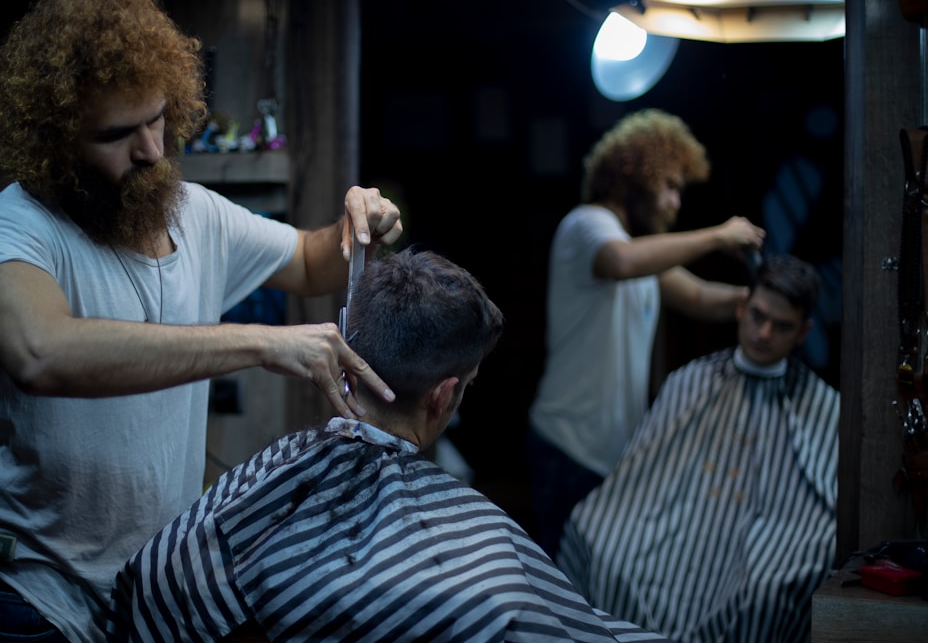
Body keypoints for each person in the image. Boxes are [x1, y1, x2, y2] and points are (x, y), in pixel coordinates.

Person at [0, 0, 403, 643]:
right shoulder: (4, 231)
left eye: (158, 117)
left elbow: (312, 261)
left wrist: (365, 220)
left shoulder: (197, 216)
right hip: (33, 595)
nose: (153, 150)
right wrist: (259, 341)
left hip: (153, 586)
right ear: (53, 141)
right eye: (116, 134)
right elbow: (40, 352)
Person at [106, 247, 671, 643]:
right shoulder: (483, 579)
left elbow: (153, 590)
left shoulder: (262, 485)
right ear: (442, 396)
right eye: (465, 388)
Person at [557, 254, 839, 643]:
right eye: (758, 316)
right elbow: (638, 477)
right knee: (595, 536)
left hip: (755, 547)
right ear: (742, 307)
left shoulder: (822, 405)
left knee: (765, 587)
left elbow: (824, 511)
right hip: (673, 529)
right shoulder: (690, 380)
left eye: (782, 326)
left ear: (803, 332)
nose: (764, 332)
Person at [526, 108, 766, 557]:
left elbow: (695, 296)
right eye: (670, 186)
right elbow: (622, 261)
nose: (676, 203)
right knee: (564, 600)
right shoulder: (588, 225)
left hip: (607, 456)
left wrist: (761, 305)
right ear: (636, 173)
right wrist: (718, 235)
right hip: (568, 448)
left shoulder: (635, 248)